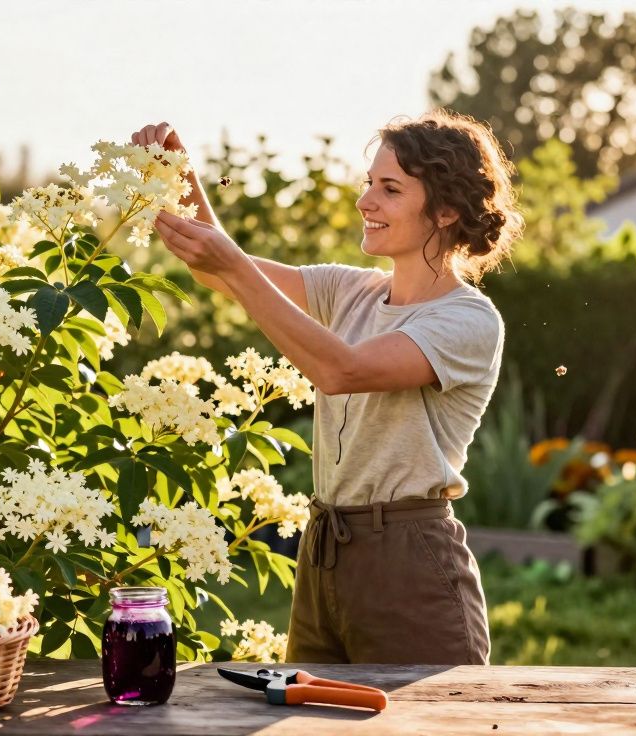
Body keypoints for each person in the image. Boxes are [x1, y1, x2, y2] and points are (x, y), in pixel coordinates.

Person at [134, 110, 523, 665]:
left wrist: (236, 267)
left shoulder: (467, 320)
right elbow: (220, 269)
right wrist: (176, 172)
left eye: (389, 189)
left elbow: (342, 370)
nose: (366, 201)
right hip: (324, 550)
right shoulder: (349, 290)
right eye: (369, 184)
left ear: (446, 209)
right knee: (313, 723)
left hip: (409, 558)